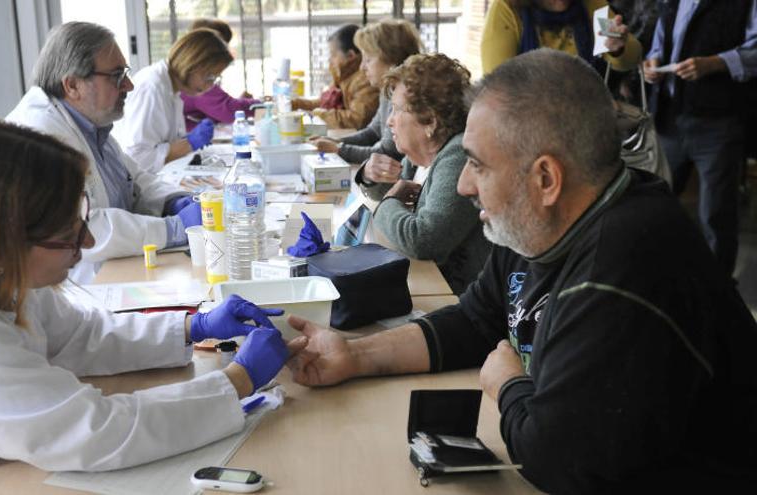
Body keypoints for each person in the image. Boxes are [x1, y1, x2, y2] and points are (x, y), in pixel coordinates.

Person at [286, 50, 757, 493]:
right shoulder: (540, 224)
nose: (464, 185)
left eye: (477, 165)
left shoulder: (623, 267)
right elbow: (474, 320)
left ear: (546, 179)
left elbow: (557, 461)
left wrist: (508, 384)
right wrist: (354, 355)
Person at [0, 120, 305, 495]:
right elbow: (95, 431)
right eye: (67, 233)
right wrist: (236, 381)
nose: (86, 242)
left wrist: (193, 327)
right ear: (4, 239)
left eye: (81, 219)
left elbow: (80, 336)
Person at [6, 22, 201, 284]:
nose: (129, 85)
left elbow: (135, 178)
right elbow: (84, 227)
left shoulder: (89, 124)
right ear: (73, 85)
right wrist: (173, 228)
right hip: (79, 287)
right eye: (117, 75)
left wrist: (173, 201)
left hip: (117, 273)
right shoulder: (41, 137)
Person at [354, 53, 489, 294]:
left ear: (429, 121)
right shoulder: (422, 156)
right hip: (431, 286)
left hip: (457, 298)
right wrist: (369, 175)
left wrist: (385, 205)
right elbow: (396, 189)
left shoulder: (457, 155)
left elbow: (424, 240)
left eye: (396, 111)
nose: (389, 122)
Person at [644, 0, 757, 277]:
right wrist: (652, 64)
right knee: (655, 204)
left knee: (716, 215)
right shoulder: (672, 2)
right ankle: (655, 282)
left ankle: (717, 292)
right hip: (670, 119)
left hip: (718, 122)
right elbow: (658, 46)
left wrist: (716, 63)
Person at [114, 28, 234, 172]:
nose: (210, 85)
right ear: (192, 64)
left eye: (215, 78)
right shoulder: (152, 88)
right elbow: (137, 159)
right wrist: (189, 143)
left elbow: (162, 142)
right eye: (209, 77)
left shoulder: (171, 88)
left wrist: (184, 141)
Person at [309, 18, 422, 164]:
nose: (362, 67)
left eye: (368, 60)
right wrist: (334, 141)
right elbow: (373, 132)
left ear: (391, 60)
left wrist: (338, 149)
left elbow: (387, 153)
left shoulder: (406, 96)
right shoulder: (386, 90)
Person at [481, 0, 642, 75]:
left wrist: (618, 49)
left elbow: (632, 59)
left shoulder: (591, 5)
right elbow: (496, 82)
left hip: (581, 117)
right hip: (525, 120)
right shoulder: (506, 8)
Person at [291, 24, 379, 130]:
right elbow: (323, 103)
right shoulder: (345, 76)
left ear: (350, 56)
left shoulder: (366, 79)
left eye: (333, 55)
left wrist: (316, 115)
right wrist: (294, 104)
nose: (330, 60)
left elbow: (357, 120)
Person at [180, 18, 261, 132]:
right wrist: (265, 104)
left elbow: (215, 109)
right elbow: (228, 111)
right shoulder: (196, 75)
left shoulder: (192, 69)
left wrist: (240, 102)